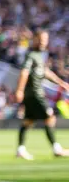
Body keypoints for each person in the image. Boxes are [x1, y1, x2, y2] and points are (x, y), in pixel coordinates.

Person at [14, 30, 69, 160]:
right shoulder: (31, 55)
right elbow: (24, 72)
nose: (43, 42)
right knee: (49, 117)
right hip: (34, 93)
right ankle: (56, 148)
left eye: (45, 39)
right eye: (41, 39)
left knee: (28, 121)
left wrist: (60, 82)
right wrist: (19, 90)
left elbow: (45, 72)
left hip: (32, 94)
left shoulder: (39, 56)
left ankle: (20, 149)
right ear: (35, 39)